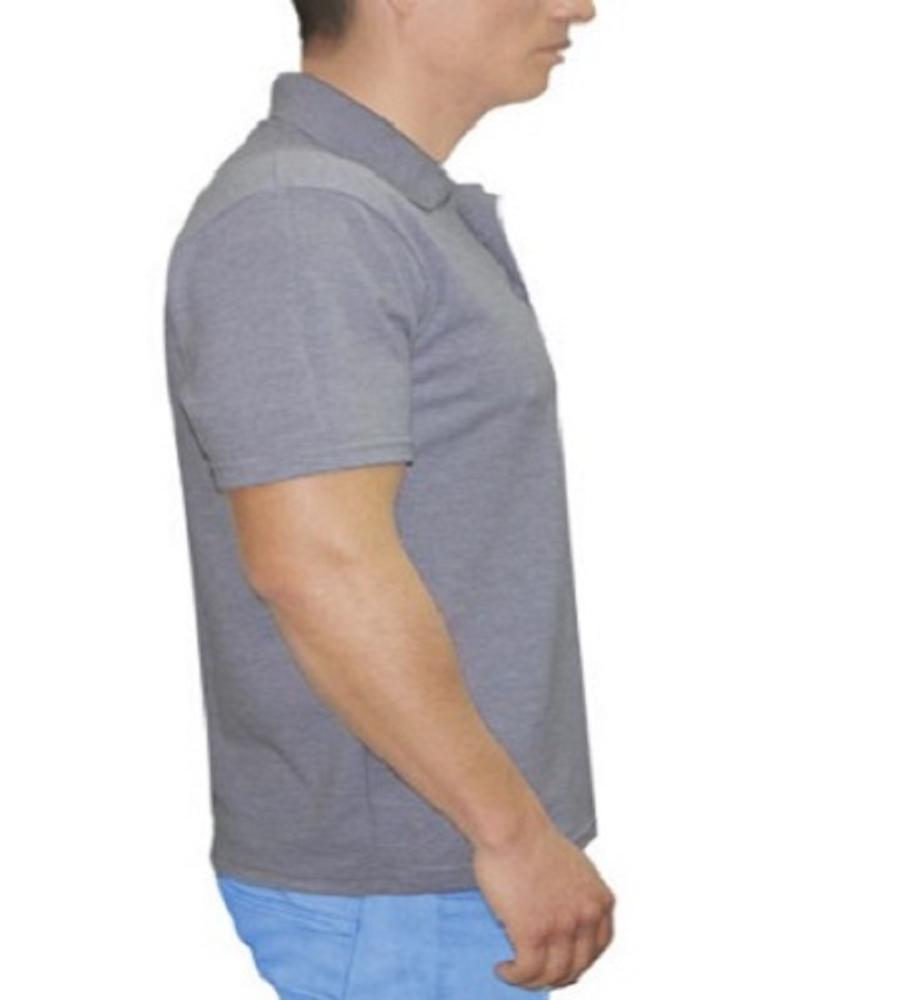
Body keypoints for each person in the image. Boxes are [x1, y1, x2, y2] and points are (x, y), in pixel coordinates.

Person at [162, 0, 614, 995]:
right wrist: (510, 833)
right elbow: (316, 564)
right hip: (413, 884)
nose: (577, 5)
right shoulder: (305, 216)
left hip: (432, 873)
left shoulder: (369, 207)